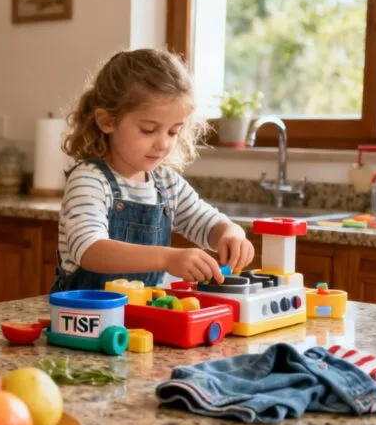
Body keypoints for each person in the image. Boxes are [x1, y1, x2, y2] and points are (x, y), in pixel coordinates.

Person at [52, 48, 255, 292]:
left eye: (173, 131)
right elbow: (90, 250)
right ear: (107, 121)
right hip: (86, 320)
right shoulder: (89, 180)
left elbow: (208, 223)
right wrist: (168, 258)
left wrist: (231, 235)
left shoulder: (167, 183)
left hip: (145, 320)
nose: (163, 144)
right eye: (148, 129)